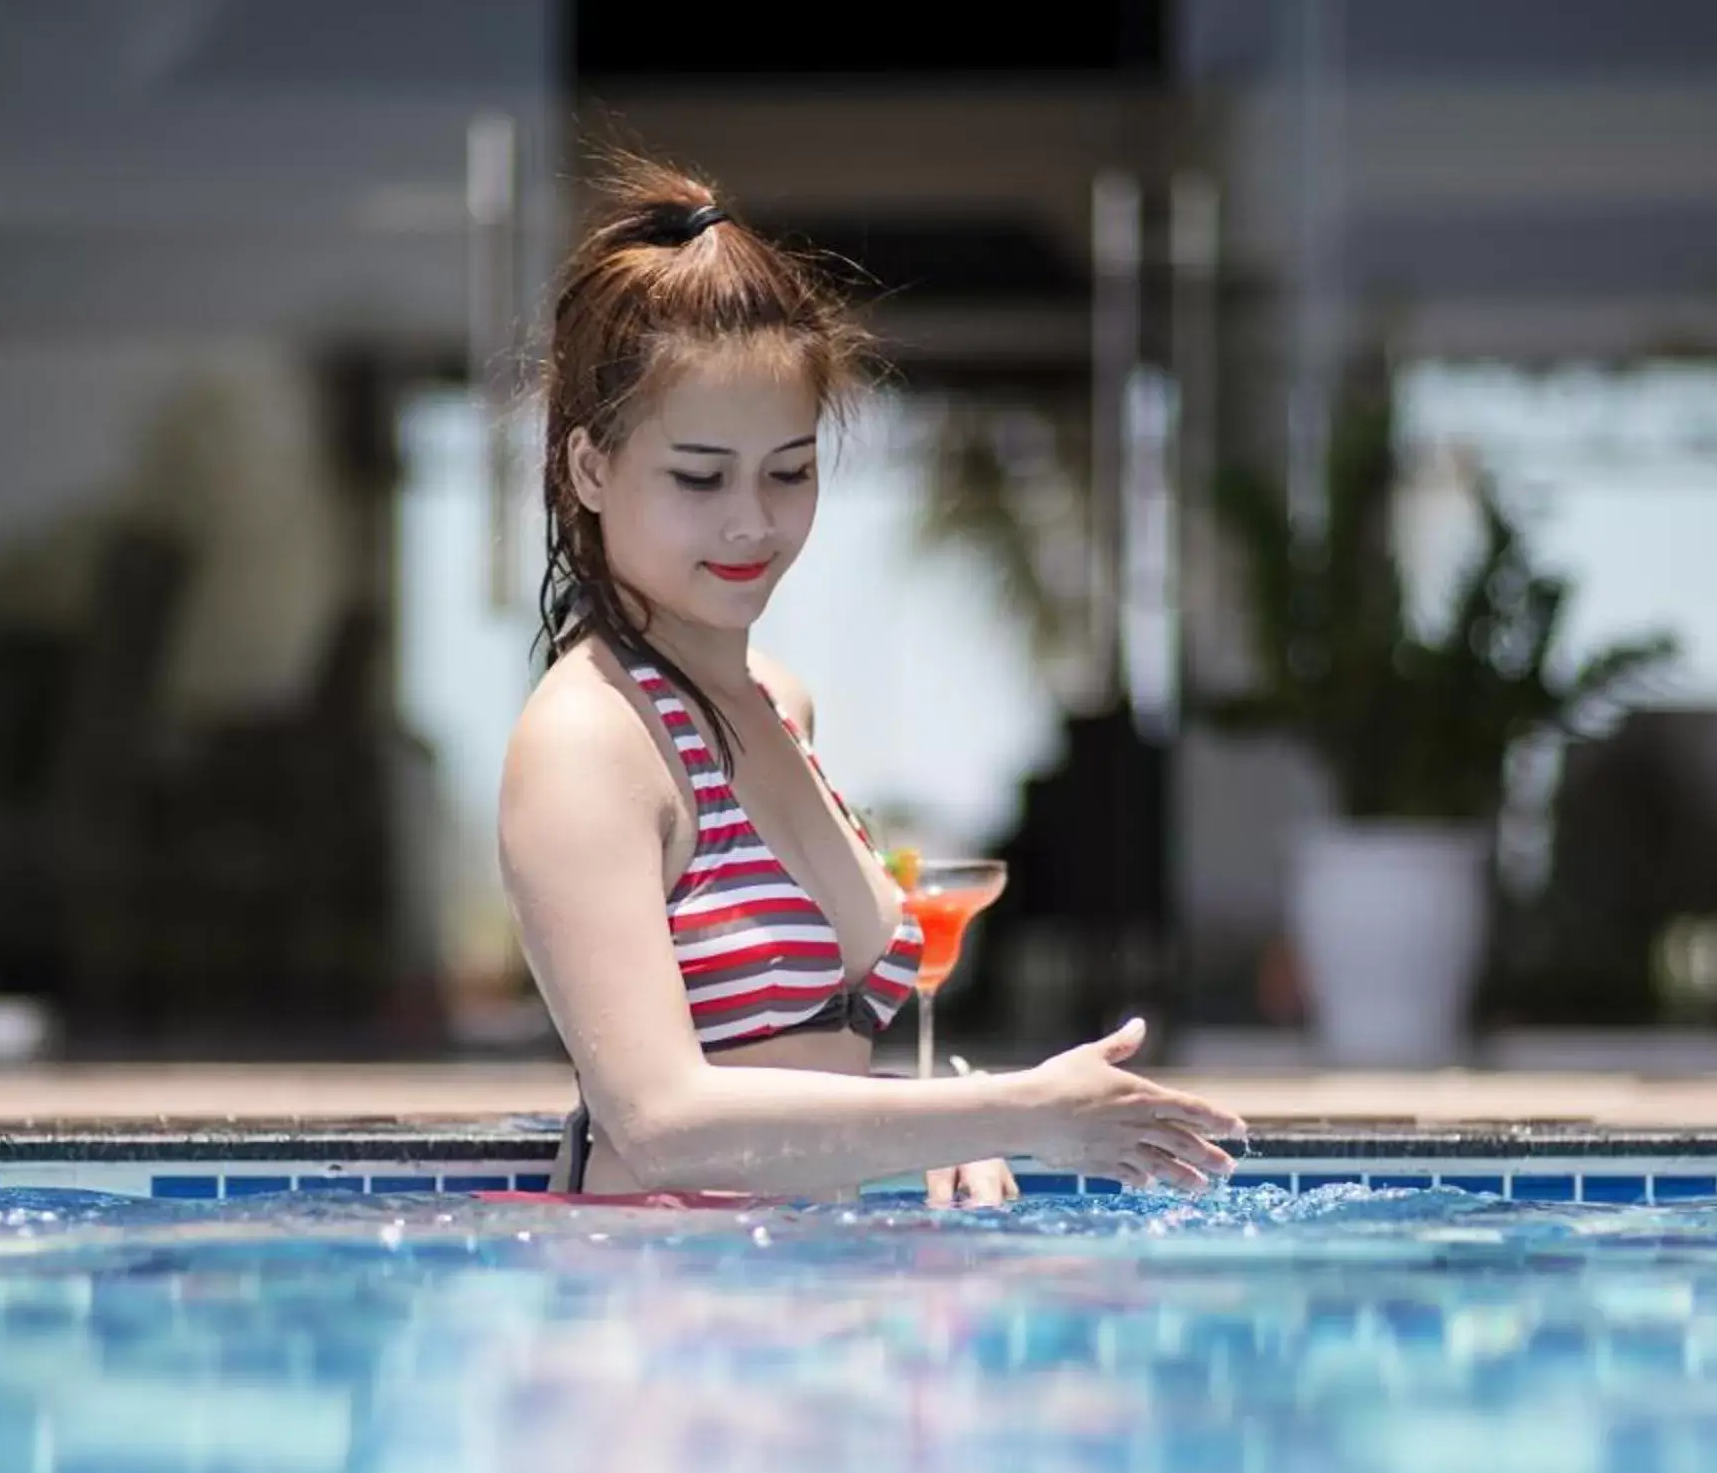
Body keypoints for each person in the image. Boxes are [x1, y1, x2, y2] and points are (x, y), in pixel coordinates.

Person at [498, 157, 1242, 1201]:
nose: (752, 520)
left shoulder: (776, 700)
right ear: (588, 470)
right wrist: (1014, 1111)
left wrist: (932, 1136)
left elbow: (794, 1072)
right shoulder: (591, 741)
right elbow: (662, 1120)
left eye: (789, 471)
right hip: (657, 1325)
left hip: (799, 1296)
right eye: (699, 477)